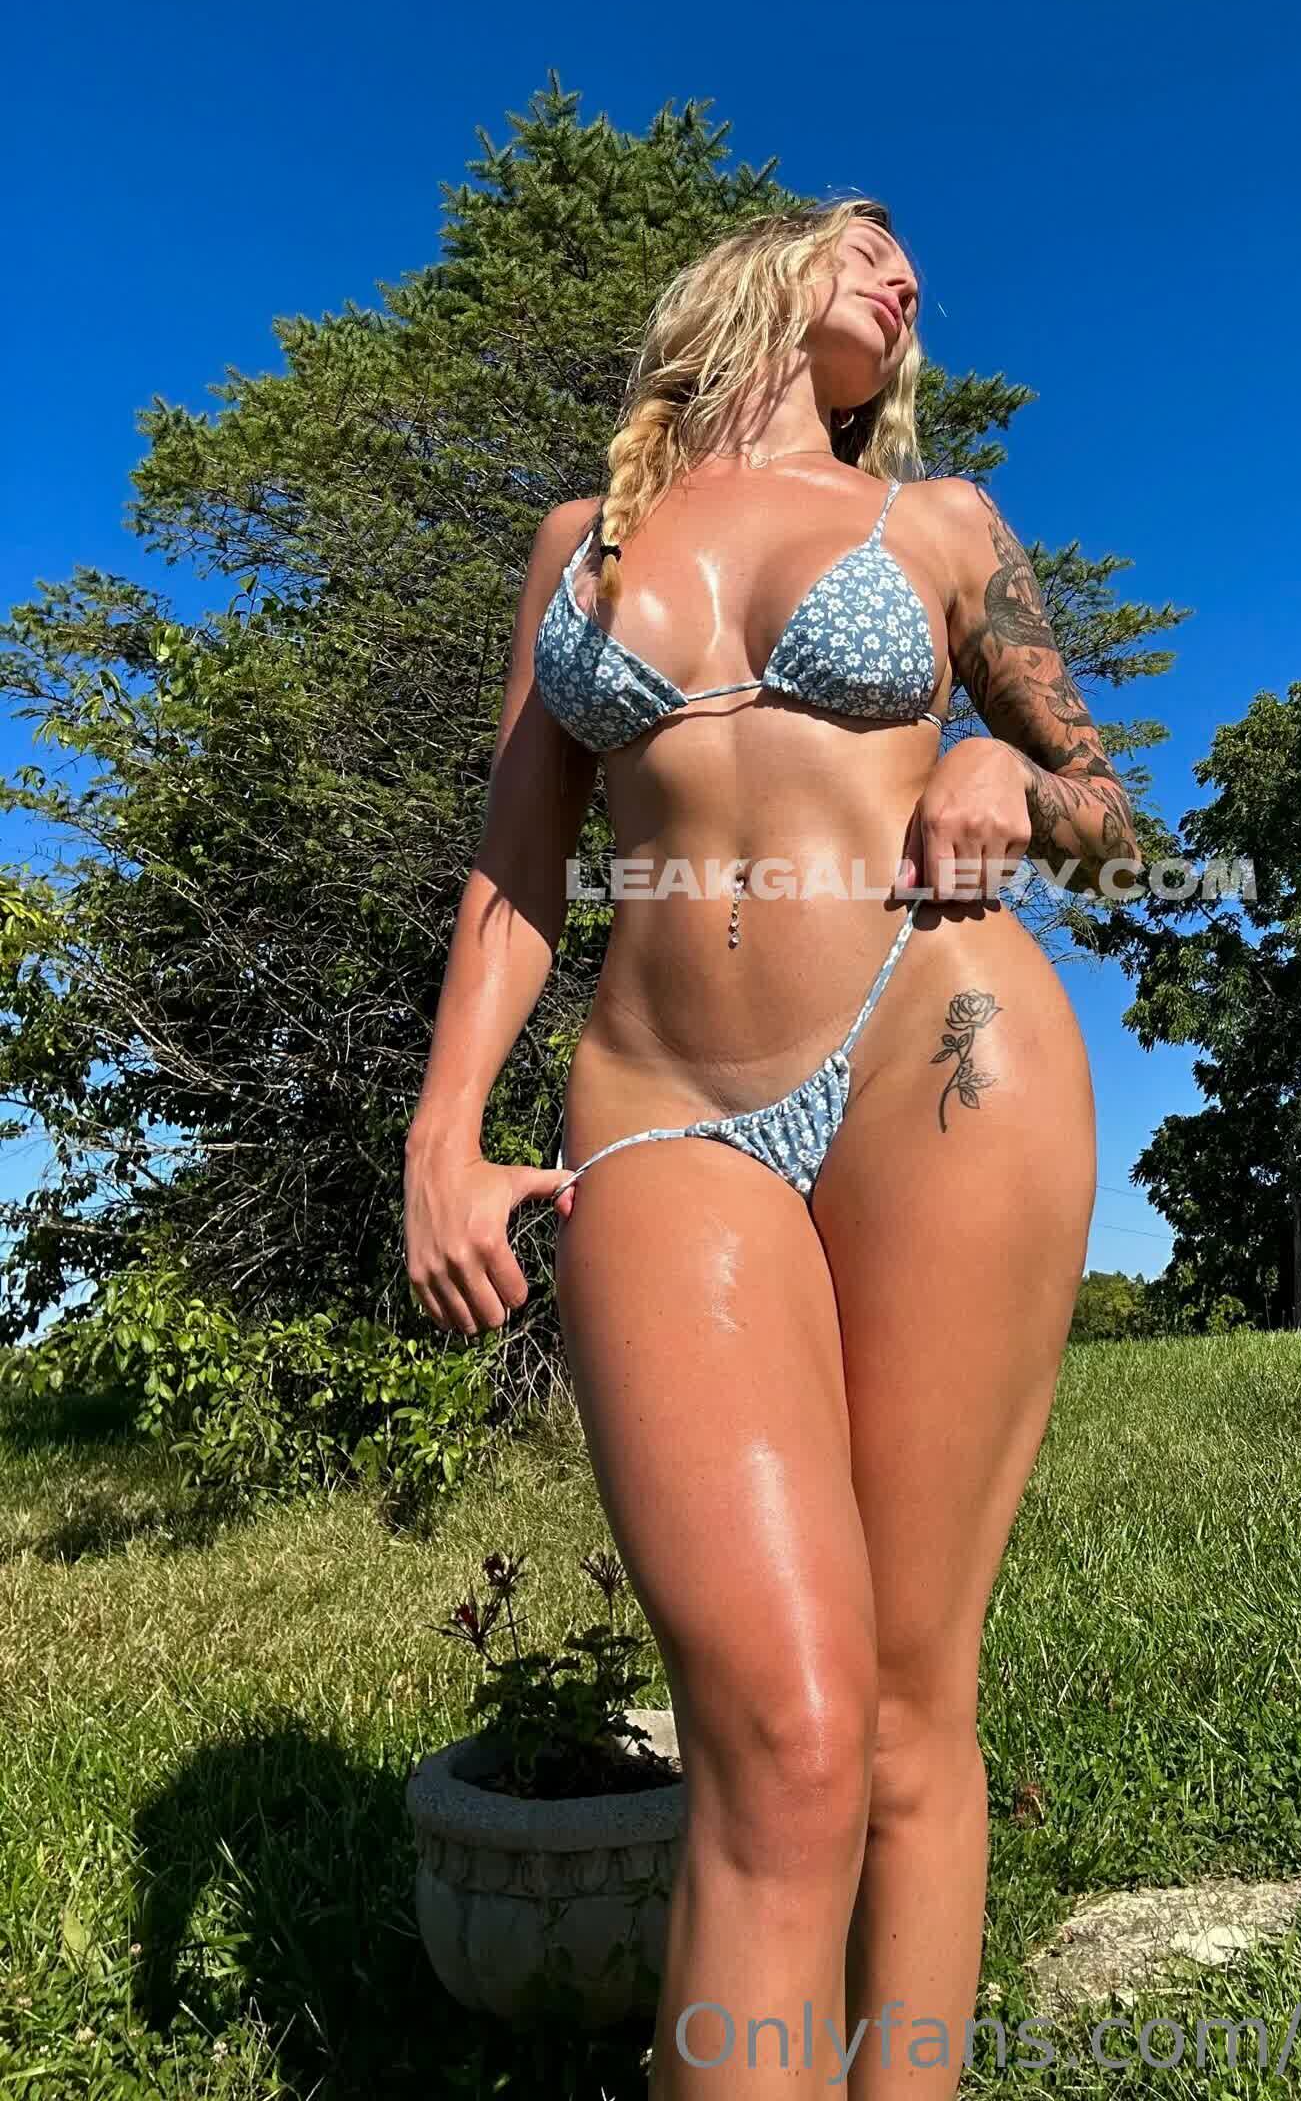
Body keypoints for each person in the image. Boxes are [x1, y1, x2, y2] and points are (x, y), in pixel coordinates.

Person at [403, 197, 1136, 2095]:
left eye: (913, 271)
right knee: (780, 1732)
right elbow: (519, 861)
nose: (903, 274)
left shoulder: (944, 525)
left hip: (932, 1043)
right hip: (659, 1104)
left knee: (900, 1713)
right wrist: (443, 1132)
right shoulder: (585, 543)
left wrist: (1003, 769)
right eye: (863, 241)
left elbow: (1107, 808)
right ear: (755, 275)